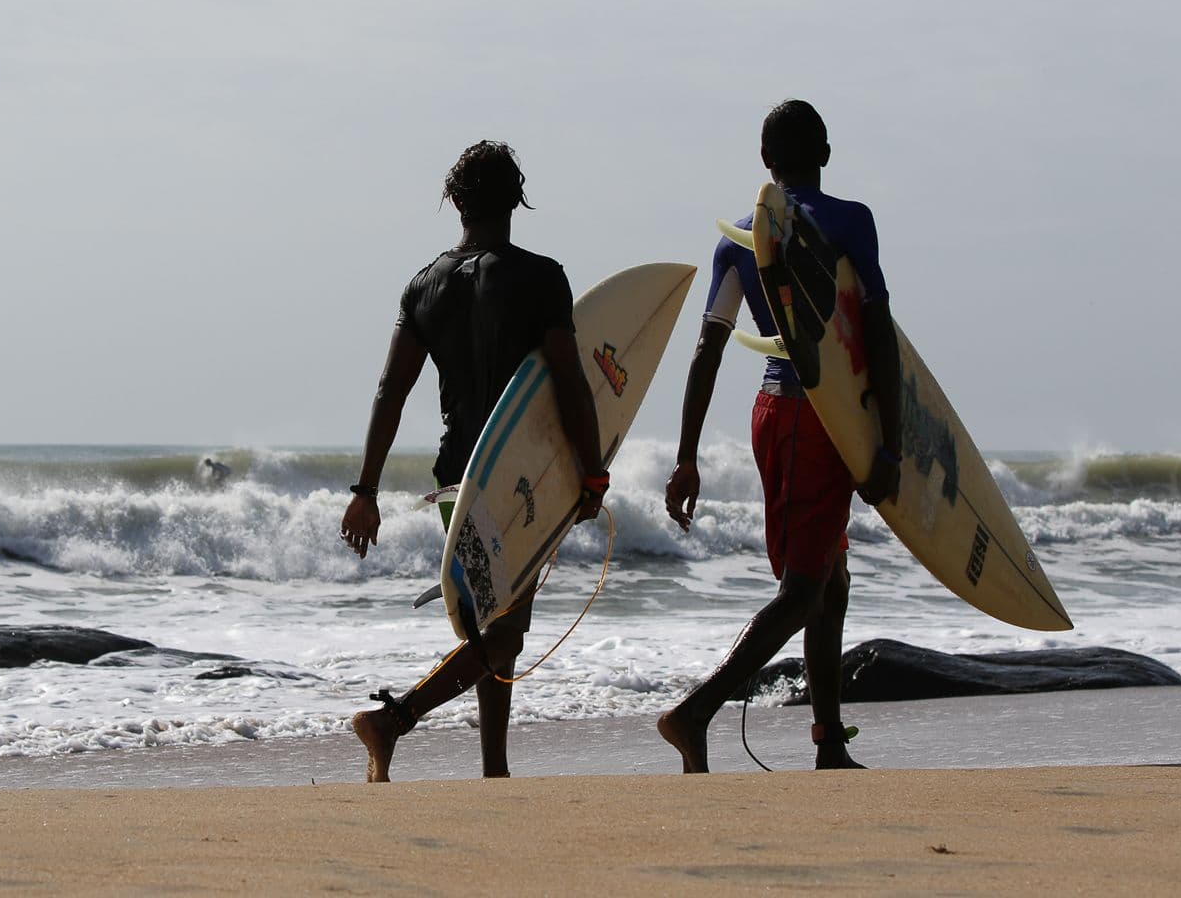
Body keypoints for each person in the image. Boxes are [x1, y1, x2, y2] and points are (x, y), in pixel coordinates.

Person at [339, 140, 610, 782]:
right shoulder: (542, 277)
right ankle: (392, 721)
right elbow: (569, 382)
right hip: (516, 475)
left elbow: (390, 391)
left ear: (455, 202)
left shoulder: (424, 286)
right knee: (505, 631)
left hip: (456, 478)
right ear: (516, 197)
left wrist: (367, 488)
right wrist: (591, 468)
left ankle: (494, 768)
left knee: (494, 620)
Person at [657, 100, 902, 772]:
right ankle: (694, 713)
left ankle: (827, 741)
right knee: (804, 588)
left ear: (765, 161)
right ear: (825, 153)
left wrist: (687, 457)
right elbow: (877, 331)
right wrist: (891, 443)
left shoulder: (740, 238)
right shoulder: (852, 222)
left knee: (832, 580)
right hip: (827, 421)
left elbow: (706, 350)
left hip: (776, 413)